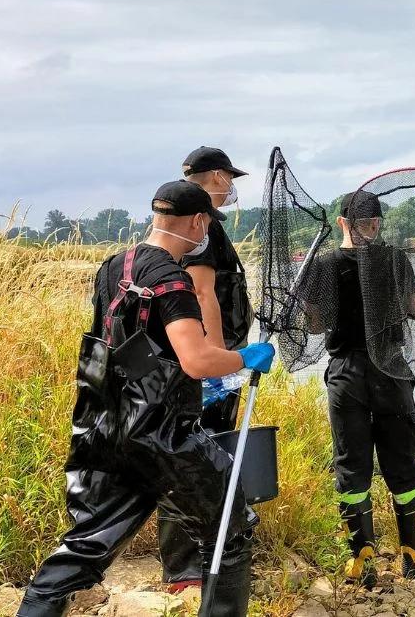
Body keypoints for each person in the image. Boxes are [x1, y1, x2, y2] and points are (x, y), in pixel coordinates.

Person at [17, 181, 276, 617]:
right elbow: (196, 360)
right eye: (208, 224)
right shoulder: (171, 279)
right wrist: (244, 357)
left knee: (86, 545)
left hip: (104, 431)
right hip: (163, 437)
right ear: (198, 221)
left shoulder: (111, 267)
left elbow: (114, 346)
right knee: (230, 530)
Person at [305, 191, 415, 586]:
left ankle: (362, 559)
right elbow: (414, 309)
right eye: (372, 226)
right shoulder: (395, 259)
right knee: (402, 458)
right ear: (372, 223)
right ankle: (413, 550)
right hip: (391, 369)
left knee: (351, 462)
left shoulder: (324, 265)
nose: (371, 231)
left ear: (342, 222)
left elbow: (313, 325)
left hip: (346, 373)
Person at [158, 146, 253, 592]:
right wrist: (218, 363)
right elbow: (201, 292)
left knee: (208, 452)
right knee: (194, 453)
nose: (232, 185)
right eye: (229, 177)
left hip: (211, 355)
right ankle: (184, 566)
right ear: (215, 176)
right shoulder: (200, 227)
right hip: (207, 360)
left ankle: (209, 548)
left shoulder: (198, 224)